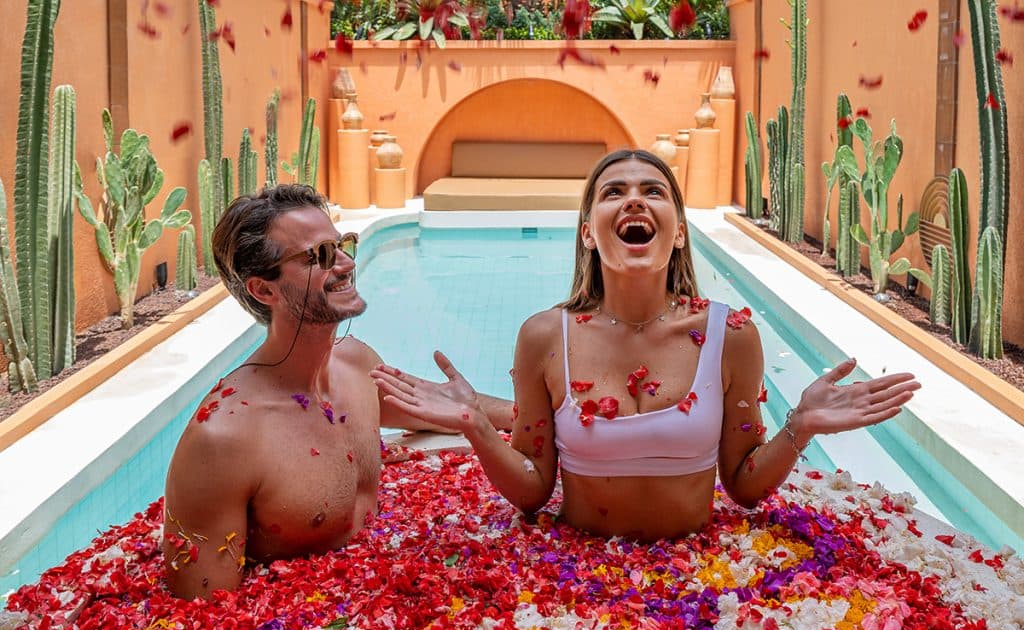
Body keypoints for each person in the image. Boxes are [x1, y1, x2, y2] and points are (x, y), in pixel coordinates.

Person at [371, 149, 921, 541]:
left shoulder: (730, 336)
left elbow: (744, 485)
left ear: (679, 230)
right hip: (577, 578)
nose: (634, 202)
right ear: (588, 232)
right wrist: (474, 425)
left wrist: (799, 426)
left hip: (698, 579)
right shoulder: (544, 337)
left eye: (652, 191)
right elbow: (535, 490)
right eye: (614, 193)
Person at [163, 184, 511, 599]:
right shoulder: (225, 438)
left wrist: (540, 414)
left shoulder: (356, 365)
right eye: (321, 256)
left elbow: (435, 404)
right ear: (264, 290)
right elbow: (201, 617)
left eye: (343, 245)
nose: (346, 264)